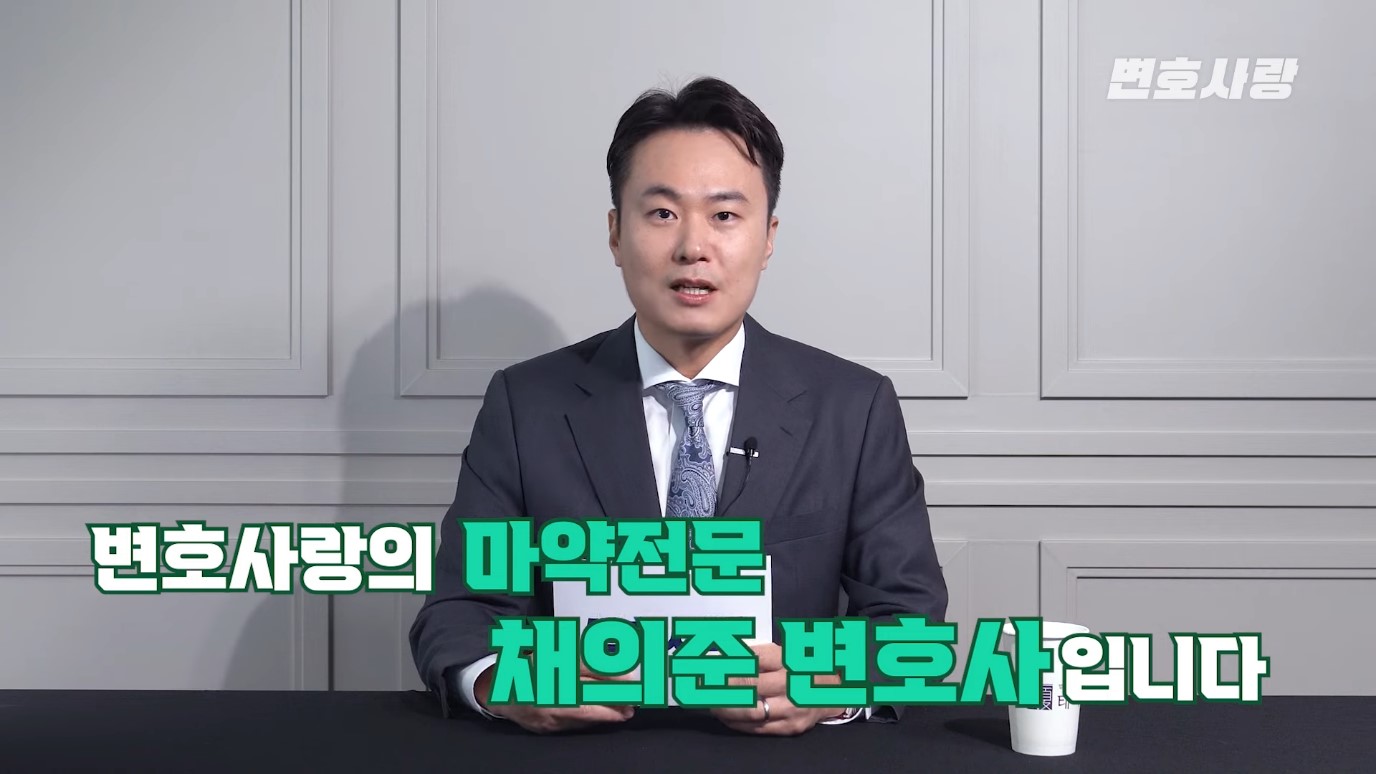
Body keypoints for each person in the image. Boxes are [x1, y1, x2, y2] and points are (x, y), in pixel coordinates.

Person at [409, 76, 947, 736]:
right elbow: (461, 609)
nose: (693, 247)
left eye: (725, 216)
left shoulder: (853, 408)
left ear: (768, 237)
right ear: (616, 233)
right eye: (662, 213)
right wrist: (506, 682)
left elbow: (909, 616)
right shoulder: (527, 405)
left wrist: (829, 683)